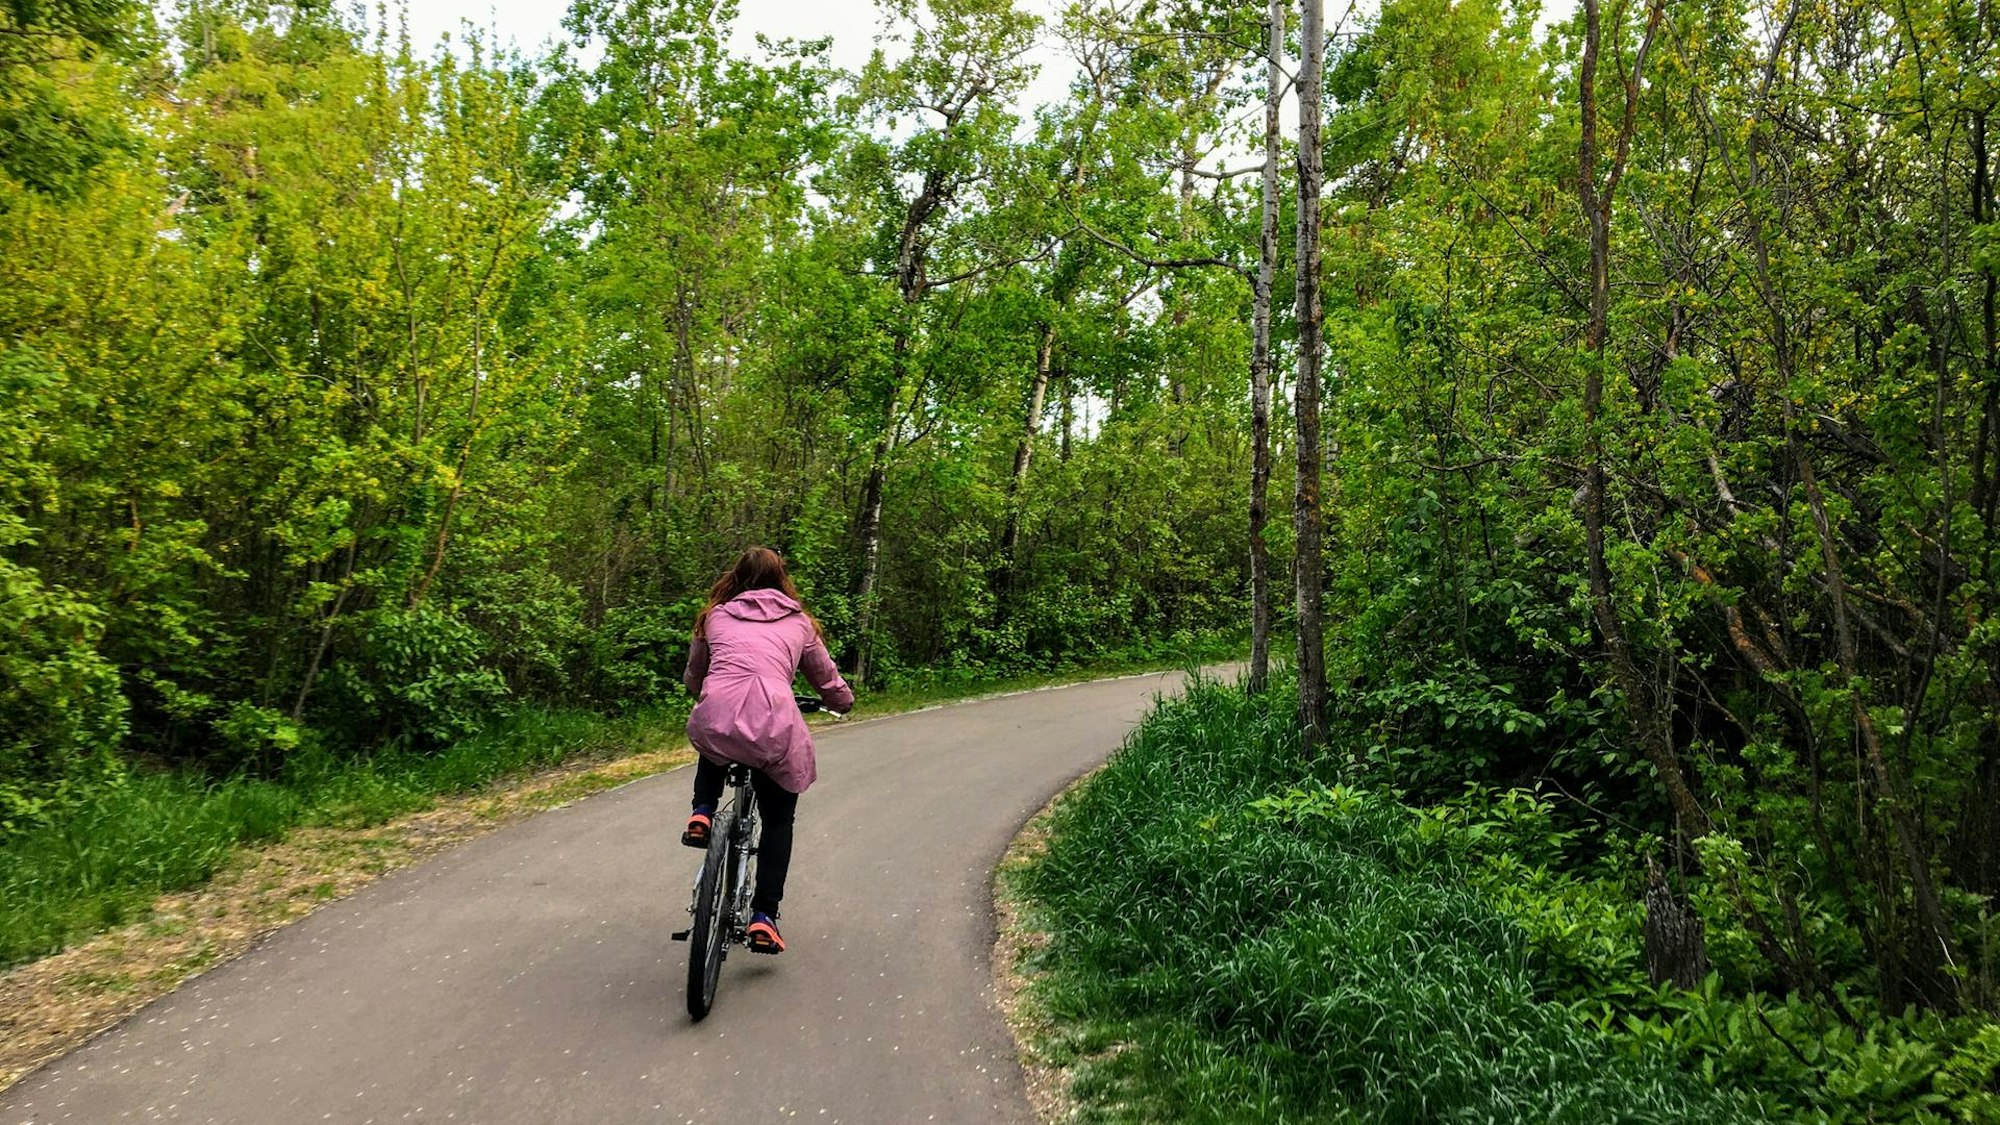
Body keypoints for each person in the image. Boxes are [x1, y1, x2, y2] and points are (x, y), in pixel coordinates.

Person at [681, 547, 853, 954]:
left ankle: (702, 811)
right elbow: (826, 678)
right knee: (779, 820)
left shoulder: (715, 616)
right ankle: (764, 917)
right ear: (781, 580)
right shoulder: (799, 624)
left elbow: (695, 672)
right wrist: (843, 701)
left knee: (717, 727)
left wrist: (699, 689)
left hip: (718, 716)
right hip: (774, 724)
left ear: (735, 577)